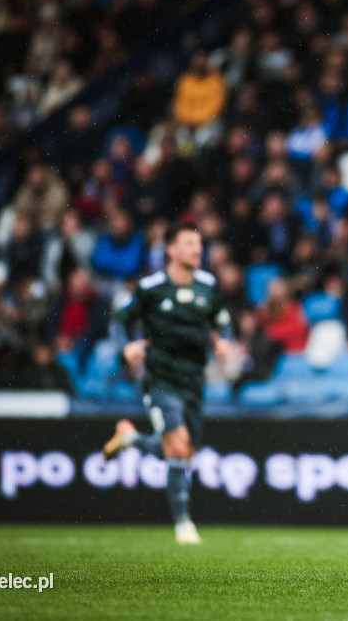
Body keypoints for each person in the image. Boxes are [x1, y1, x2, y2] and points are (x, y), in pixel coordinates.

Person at [102, 222, 233, 545]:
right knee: (177, 444)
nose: (197, 249)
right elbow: (120, 321)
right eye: (189, 243)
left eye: (199, 243)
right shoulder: (151, 287)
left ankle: (132, 438)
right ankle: (184, 524)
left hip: (193, 380)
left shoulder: (207, 285)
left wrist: (223, 342)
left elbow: (222, 322)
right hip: (160, 378)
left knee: (185, 451)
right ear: (171, 250)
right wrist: (126, 347)